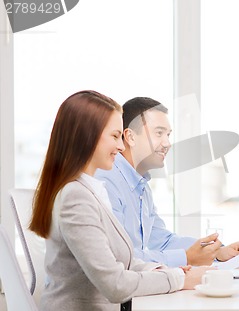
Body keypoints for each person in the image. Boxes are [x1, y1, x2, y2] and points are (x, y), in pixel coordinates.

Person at [29, 91, 209, 311]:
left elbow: (125, 261)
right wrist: (180, 280)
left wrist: (175, 272)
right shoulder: (75, 198)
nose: (122, 147)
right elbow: (115, 284)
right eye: (115, 137)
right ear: (88, 136)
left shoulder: (92, 190)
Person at [95, 97, 239, 267]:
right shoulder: (106, 181)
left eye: (168, 135)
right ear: (130, 137)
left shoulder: (141, 185)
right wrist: (186, 258)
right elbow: (120, 256)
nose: (167, 143)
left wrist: (216, 251)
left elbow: (163, 241)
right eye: (159, 133)